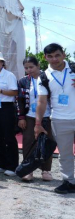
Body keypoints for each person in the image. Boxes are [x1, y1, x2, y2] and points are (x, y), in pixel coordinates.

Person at [36, 43, 75, 194]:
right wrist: (38, 123)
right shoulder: (44, 76)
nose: (54, 59)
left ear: (63, 54)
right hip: (59, 119)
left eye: (57, 55)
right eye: (50, 56)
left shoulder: (73, 68)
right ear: (45, 57)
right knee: (65, 154)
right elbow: (42, 102)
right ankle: (69, 182)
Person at [17, 56, 53, 182]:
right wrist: (21, 117)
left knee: (46, 142)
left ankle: (46, 170)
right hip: (30, 116)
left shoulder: (47, 78)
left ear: (38, 65)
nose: (29, 70)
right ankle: (28, 170)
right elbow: (20, 100)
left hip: (47, 115)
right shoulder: (23, 81)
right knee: (28, 142)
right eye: (26, 68)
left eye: (31, 67)